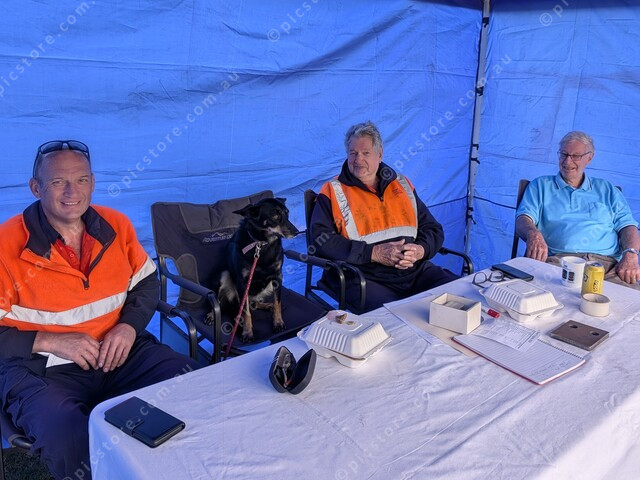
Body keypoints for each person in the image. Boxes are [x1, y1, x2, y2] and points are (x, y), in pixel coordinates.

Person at [0, 140, 200, 479]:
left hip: (119, 354)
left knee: (193, 382)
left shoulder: (116, 225)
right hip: (40, 370)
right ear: (36, 187)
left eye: (81, 180)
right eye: (58, 182)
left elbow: (145, 283)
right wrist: (51, 341)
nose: (72, 192)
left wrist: (128, 327)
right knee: (68, 434)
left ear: (92, 182)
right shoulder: (5, 244)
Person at [310, 121, 458, 311]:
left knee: (458, 295)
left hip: (414, 271)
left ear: (379, 155)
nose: (358, 160)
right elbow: (321, 241)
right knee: (396, 316)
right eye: (353, 153)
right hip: (361, 275)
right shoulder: (333, 190)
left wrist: (420, 250)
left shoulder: (402, 185)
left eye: (366, 153)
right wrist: (374, 253)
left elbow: (432, 229)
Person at [516, 131, 640, 288]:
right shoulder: (540, 185)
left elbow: (627, 226)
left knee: (629, 301)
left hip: (607, 268)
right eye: (564, 154)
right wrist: (533, 234)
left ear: (589, 158)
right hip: (558, 264)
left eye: (575, 156)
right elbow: (523, 218)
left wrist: (631, 253)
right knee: (537, 297)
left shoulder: (607, 189)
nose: (568, 161)